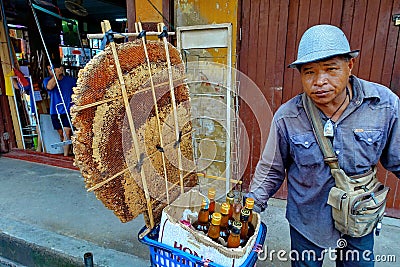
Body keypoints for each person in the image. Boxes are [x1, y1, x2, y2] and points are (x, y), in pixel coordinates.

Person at [247, 24, 400, 266]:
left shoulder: (384, 106)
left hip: (359, 216)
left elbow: (398, 159)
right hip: (307, 220)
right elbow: (271, 168)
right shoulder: (288, 117)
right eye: (309, 73)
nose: (320, 81)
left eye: (330, 69)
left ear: (349, 66)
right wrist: (250, 207)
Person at [43, 62, 76, 156]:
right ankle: (68, 150)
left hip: (68, 110)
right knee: (61, 134)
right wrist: (56, 75)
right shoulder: (47, 80)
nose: (52, 71)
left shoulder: (70, 80)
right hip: (55, 111)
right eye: (50, 70)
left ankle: (66, 155)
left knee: (67, 132)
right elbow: (50, 87)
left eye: (54, 69)